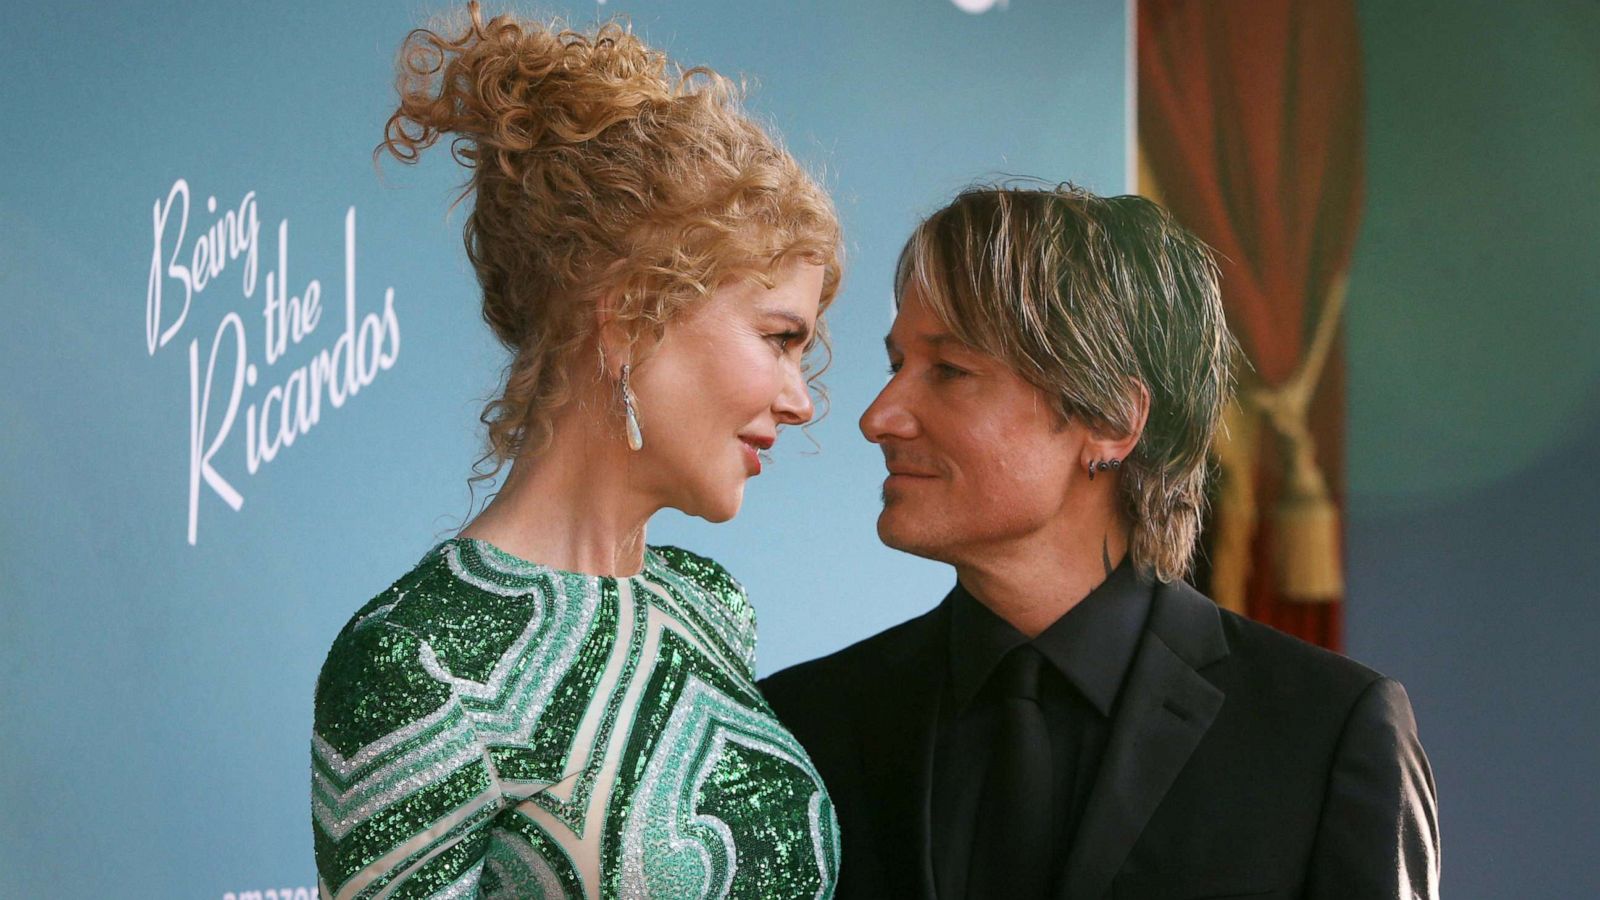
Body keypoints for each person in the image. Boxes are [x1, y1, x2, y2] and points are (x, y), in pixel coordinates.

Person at [761, 184, 1440, 899]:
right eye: (898, 365)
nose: (879, 417)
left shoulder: (1325, 733)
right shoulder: (805, 723)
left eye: (951, 371)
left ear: (1113, 419)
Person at [311, 6, 844, 898]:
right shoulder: (421, 661)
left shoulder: (709, 606)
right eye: (779, 338)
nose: (801, 401)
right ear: (633, 314)